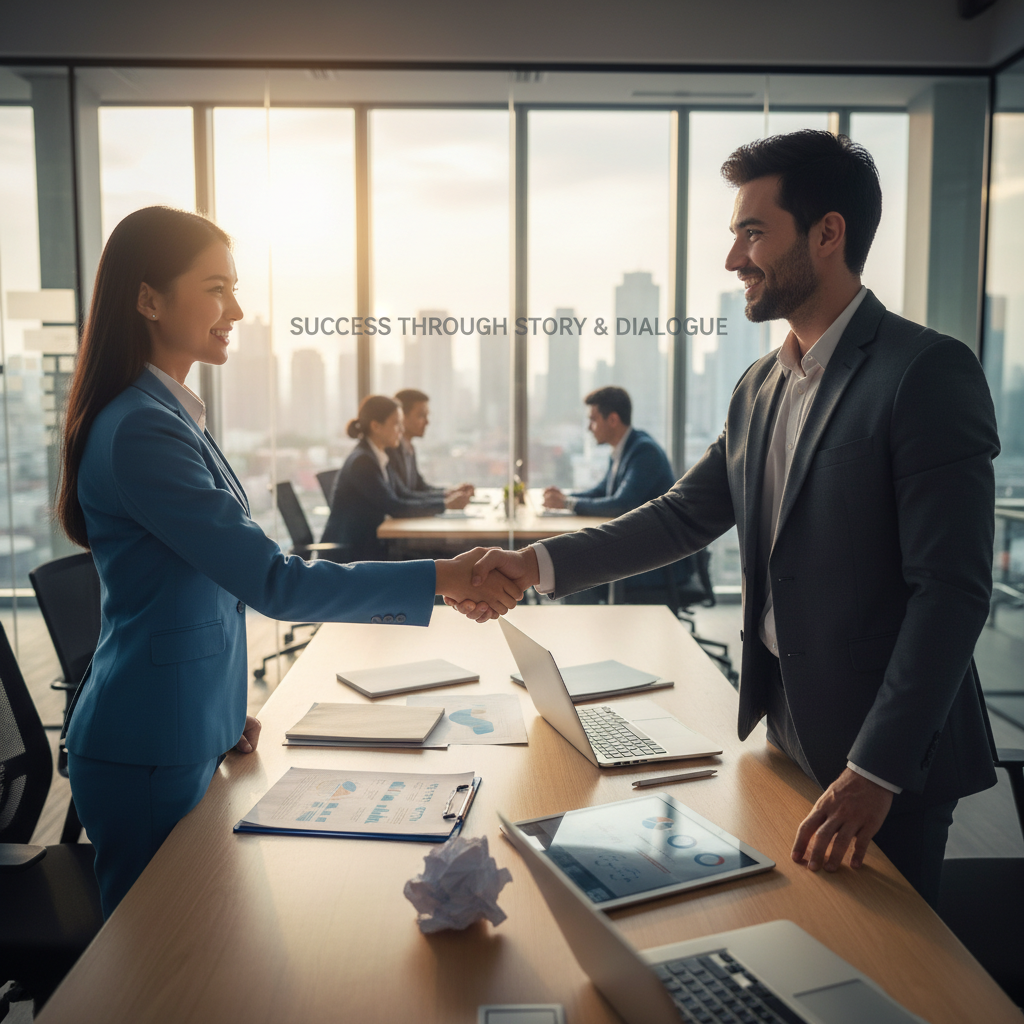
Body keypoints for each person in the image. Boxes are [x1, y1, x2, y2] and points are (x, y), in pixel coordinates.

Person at [463, 130, 999, 907]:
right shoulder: (759, 384)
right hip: (786, 730)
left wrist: (876, 768)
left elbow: (950, 591)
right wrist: (539, 567)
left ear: (827, 233)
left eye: (753, 231)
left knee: (898, 978)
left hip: (888, 761)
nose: (733, 259)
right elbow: (685, 516)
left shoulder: (924, 372)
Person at [56, 206, 521, 918]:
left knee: (200, 946)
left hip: (177, 729)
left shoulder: (168, 413)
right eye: (215, 288)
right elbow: (268, 580)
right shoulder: (144, 427)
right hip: (145, 746)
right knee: (155, 971)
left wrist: (216, 712)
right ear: (148, 299)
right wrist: (446, 577)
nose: (235, 309)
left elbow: (191, 595)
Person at [321, 394, 470, 561]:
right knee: (439, 558)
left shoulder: (378, 456)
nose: (401, 429)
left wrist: (445, 498)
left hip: (369, 546)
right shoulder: (362, 461)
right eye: (396, 424)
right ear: (376, 426)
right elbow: (395, 506)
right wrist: (444, 505)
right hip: (352, 553)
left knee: (439, 557)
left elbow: (405, 494)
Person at [542, 386, 674, 515]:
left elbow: (622, 505)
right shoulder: (623, 448)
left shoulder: (645, 452)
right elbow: (602, 491)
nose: (589, 427)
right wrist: (563, 497)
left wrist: (567, 503)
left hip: (655, 536)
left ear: (612, 420)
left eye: (593, 420)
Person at [389, 388, 473, 502]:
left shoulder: (409, 448)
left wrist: (451, 492)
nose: (427, 422)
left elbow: (420, 487)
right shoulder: (390, 451)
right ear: (401, 416)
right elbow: (404, 495)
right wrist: (445, 503)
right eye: (421, 416)